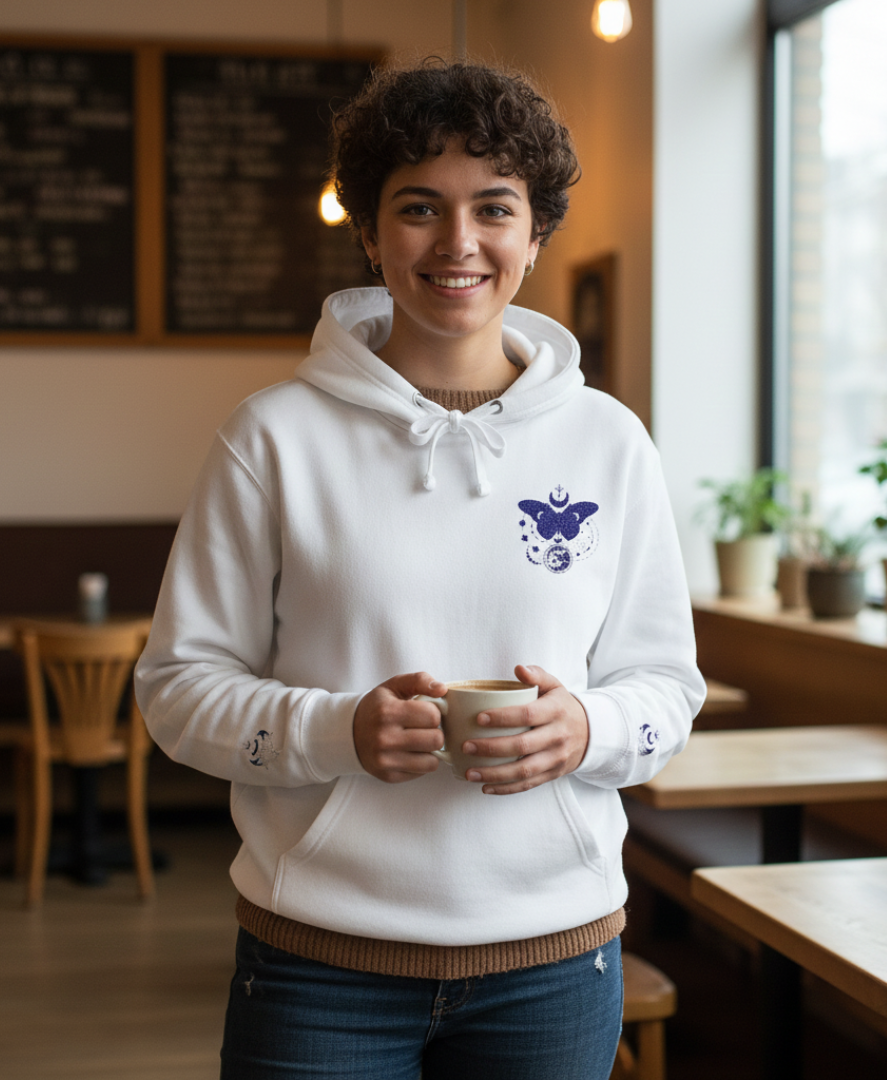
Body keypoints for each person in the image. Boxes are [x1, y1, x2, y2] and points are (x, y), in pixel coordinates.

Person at [135, 57, 705, 1080]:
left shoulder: (610, 444)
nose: (458, 243)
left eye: (494, 207)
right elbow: (176, 695)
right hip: (318, 965)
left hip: (557, 959)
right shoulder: (270, 439)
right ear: (367, 232)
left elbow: (668, 689)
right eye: (417, 208)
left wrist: (589, 727)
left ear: (535, 237)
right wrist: (336, 728)